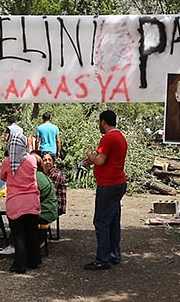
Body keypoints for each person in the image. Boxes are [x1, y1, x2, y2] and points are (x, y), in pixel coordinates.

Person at [82, 110, 127, 270]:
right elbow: (109, 160)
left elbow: (100, 160)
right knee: (113, 221)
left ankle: (102, 259)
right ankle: (114, 254)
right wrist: (93, 160)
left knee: (101, 221)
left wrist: (91, 156)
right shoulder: (120, 137)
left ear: (103, 122)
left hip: (108, 185)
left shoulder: (108, 138)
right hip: (118, 182)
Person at [0, 132, 42, 274]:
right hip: (31, 200)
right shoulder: (32, 160)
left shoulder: (7, 162)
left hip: (15, 202)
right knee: (32, 232)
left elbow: (3, 177)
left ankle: (20, 264)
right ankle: (34, 260)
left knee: (19, 235)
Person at [35, 153, 59, 245]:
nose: (47, 162)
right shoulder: (41, 175)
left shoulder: (38, 177)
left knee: (21, 217)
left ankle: (16, 244)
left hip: (48, 211)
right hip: (50, 207)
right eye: (45, 160)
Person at [41, 152, 67, 216]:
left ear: (53, 162)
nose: (47, 162)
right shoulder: (43, 173)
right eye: (45, 160)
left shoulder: (56, 174)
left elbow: (51, 193)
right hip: (48, 203)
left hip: (57, 205)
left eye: (50, 160)